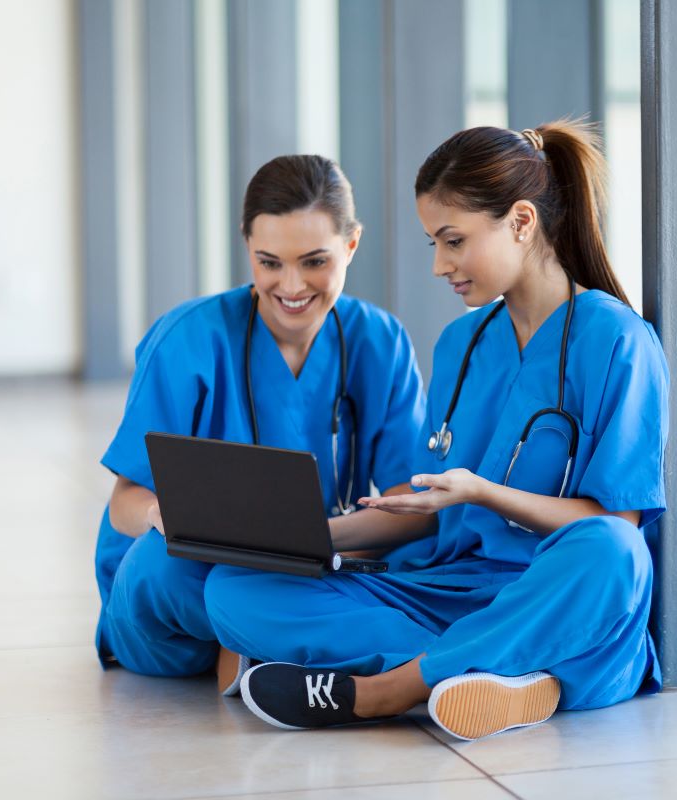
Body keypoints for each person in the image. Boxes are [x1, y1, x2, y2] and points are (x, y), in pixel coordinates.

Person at [204, 120, 670, 740]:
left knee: (614, 557)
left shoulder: (618, 341)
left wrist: (483, 492)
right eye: (433, 244)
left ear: (522, 223)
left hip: (549, 587)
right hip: (449, 588)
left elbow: (615, 523)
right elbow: (427, 512)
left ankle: (385, 690)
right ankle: (501, 672)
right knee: (234, 588)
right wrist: (294, 538)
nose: (439, 265)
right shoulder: (462, 343)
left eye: (453, 241)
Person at [94, 155, 427, 693]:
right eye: (269, 262)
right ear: (247, 246)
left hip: (320, 561)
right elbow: (124, 502)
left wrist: (314, 546)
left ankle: (268, 647)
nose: (291, 286)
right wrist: (173, 520)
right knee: (161, 566)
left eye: (314, 261)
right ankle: (307, 647)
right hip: (189, 580)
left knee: (429, 555)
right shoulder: (187, 338)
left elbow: (409, 508)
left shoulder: (380, 341)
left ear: (352, 245)